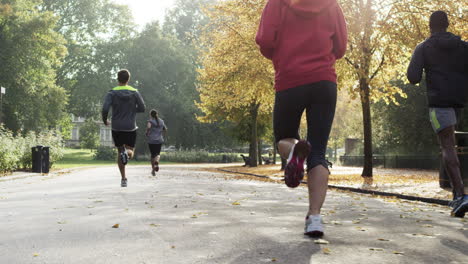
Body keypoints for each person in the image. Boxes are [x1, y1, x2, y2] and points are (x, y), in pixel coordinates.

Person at [256, 0, 347, 237]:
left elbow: (265, 41)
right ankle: (315, 218)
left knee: (283, 139)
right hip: (324, 81)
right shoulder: (332, 4)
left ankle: (295, 151)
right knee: (318, 153)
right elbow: (341, 47)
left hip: (290, 79)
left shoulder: (276, 3)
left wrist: (282, 55)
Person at [407, 11, 468, 218]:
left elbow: (413, 77)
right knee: (451, 145)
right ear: (448, 25)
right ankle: (458, 195)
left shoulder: (424, 47)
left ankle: (460, 195)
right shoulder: (463, 46)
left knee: (447, 147)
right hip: (459, 103)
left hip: (438, 103)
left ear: (430, 26)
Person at [102, 69, 146, 187]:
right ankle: (127, 152)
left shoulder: (112, 93)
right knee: (130, 151)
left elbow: (105, 108)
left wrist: (104, 119)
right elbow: (142, 108)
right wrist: (132, 110)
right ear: (128, 79)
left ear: (117, 79)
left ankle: (123, 179)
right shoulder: (135, 92)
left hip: (116, 127)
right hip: (130, 127)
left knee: (120, 152)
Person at [146, 109, 167, 176]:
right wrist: (160, 133)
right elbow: (165, 129)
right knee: (158, 154)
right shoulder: (161, 121)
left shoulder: (150, 121)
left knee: (152, 155)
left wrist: (147, 132)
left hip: (151, 140)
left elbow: (149, 127)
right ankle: (157, 162)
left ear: (150, 115)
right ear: (157, 114)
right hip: (159, 140)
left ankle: (153, 170)